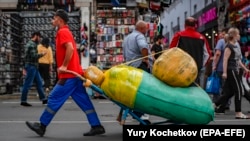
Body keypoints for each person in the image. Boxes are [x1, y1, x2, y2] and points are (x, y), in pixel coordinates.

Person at [25, 9, 105, 137]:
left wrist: (64, 66)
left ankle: (42, 126)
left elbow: (70, 48)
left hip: (68, 75)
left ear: (60, 20)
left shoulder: (63, 32)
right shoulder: (65, 31)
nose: (52, 20)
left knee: (53, 98)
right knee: (84, 101)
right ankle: (97, 126)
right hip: (74, 74)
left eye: (54, 18)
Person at [214, 27, 250, 119]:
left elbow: (237, 60)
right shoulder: (228, 47)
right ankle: (238, 113)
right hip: (231, 70)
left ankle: (215, 104)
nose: (239, 35)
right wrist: (225, 72)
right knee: (238, 91)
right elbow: (225, 60)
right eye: (238, 34)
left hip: (235, 70)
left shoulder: (235, 45)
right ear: (234, 36)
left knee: (228, 92)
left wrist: (245, 68)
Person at [122, 20, 153, 120]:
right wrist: (146, 59)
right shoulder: (139, 36)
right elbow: (143, 46)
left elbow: (124, 54)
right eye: (146, 28)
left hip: (130, 67)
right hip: (139, 65)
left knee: (134, 91)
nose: (147, 30)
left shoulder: (127, 38)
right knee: (144, 90)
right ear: (141, 28)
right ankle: (142, 113)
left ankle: (136, 113)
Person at [169, 17, 211, 85]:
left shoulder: (179, 35)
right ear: (195, 25)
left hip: (181, 68)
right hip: (196, 69)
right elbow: (208, 55)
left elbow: (171, 51)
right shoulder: (202, 37)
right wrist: (200, 65)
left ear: (185, 25)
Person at [21, 31, 48, 107]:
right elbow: (34, 56)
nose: (39, 39)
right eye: (39, 37)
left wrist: (24, 67)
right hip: (31, 66)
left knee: (39, 83)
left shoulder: (29, 44)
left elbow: (25, 57)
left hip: (33, 66)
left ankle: (44, 99)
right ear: (36, 36)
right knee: (28, 84)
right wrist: (42, 54)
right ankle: (23, 101)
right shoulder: (32, 45)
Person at [212, 28, 231, 108]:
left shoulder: (221, 41)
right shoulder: (232, 42)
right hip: (228, 68)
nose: (220, 35)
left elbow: (217, 54)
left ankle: (218, 103)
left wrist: (214, 65)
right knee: (226, 87)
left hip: (220, 68)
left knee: (217, 86)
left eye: (222, 34)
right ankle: (226, 103)